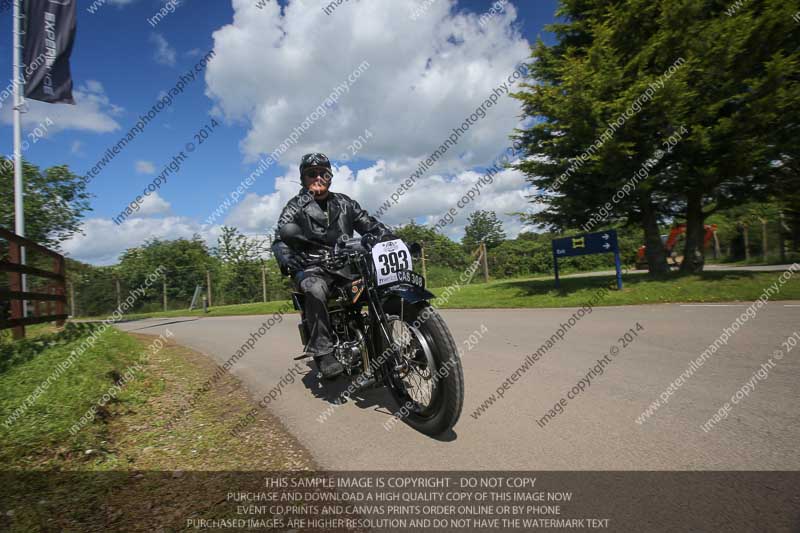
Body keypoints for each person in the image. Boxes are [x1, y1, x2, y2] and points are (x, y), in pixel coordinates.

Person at [271, 153, 394, 378]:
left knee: (380, 284)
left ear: (330, 176)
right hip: (312, 266)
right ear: (303, 179)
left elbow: (369, 224)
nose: (318, 177)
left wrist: (389, 239)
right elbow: (281, 238)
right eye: (311, 173)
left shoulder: (345, 203)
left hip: (347, 265)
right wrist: (288, 258)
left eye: (323, 172)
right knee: (314, 289)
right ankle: (323, 352)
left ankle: (385, 340)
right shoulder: (295, 207)